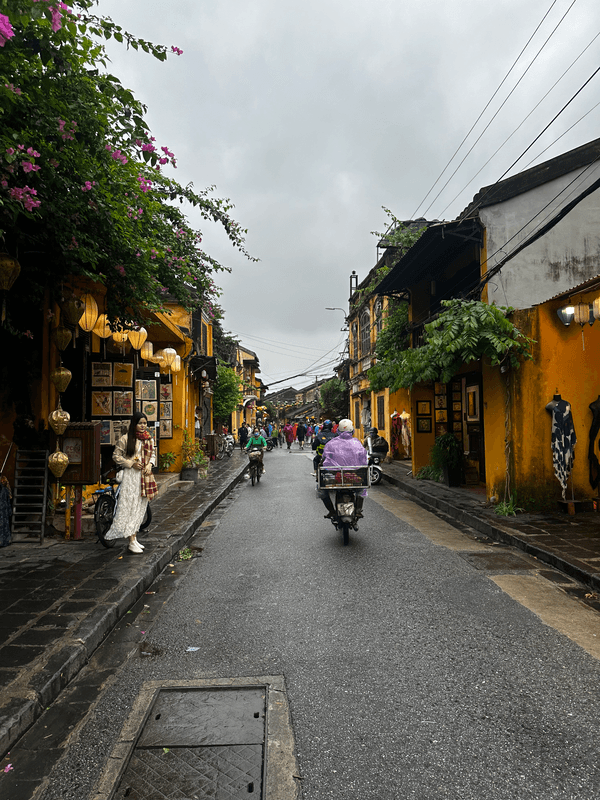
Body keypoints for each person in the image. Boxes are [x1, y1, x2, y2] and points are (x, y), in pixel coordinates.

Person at [104, 411, 157, 554]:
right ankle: (131, 540)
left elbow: (153, 455)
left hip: (144, 477)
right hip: (131, 477)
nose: (143, 426)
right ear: (134, 424)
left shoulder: (149, 439)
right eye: (140, 423)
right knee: (129, 507)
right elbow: (116, 456)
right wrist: (130, 463)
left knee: (140, 507)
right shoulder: (126, 439)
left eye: (145, 423)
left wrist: (149, 465)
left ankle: (134, 538)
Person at [319, 418, 367, 518]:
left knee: (321, 490)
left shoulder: (331, 443)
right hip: (354, 477)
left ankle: (331, 511)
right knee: (361, 489)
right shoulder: (357, 443)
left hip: (335, 478)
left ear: (337, 430)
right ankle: (358, 510)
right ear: (352, 430)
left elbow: (324, 458)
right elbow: (364, 460)